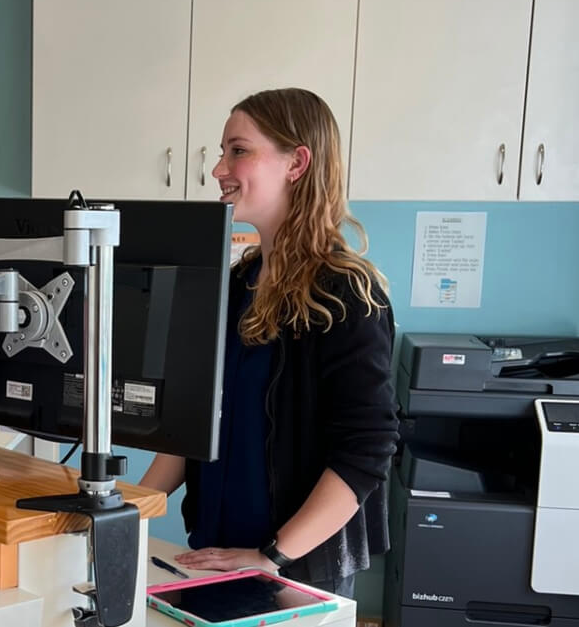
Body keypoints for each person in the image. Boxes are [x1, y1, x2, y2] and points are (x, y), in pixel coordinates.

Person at [140, 88, 399, 596]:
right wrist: (127, 509)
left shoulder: (345, 293)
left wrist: (272, 555)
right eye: (222, 152)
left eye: (238, 150)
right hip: (215, 550)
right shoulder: (234, 283)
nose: (218, 168)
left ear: (297, 163)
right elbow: (192, 424)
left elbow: (366, 450)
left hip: (292, 565)